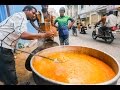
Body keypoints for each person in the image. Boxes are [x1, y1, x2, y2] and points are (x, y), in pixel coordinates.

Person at [0, 5, 54, 85]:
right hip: (3, 47)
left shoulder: (18, 16)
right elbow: (23, 35)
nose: (34, 15)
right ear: (26, 10)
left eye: (35, 14)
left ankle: (5, 81)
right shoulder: (20, 16)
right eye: (33, 13)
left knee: (3, 69)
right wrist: (44, 35)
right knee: (9, 69)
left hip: (3, 45)